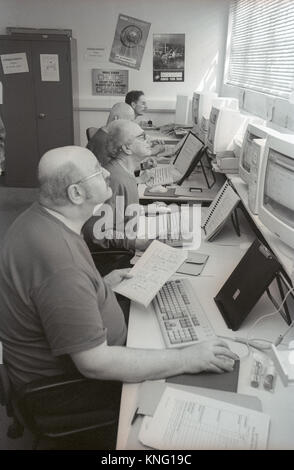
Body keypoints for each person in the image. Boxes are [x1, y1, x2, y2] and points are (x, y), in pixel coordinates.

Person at [0, 145, 237, 419]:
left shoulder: (40, 220)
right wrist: (188, 358)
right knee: (195, 394)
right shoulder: (60, 264)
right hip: (65, 389)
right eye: (95, 172)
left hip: (68, 357)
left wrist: (101, 285)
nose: (106, 171)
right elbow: (95, 364)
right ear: (76, 194)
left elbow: (54, 294)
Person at [82, 119, 154, 274]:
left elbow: (119, 211)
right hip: (114, 262)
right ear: (127, 148)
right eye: (142, 137)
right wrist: (136, 242)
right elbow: (94, 232)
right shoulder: (114, 180)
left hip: (127, 243)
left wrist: (148, 209)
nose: (149, 140)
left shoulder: (125, 174)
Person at [86, 102, 135, 166]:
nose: (130, 126)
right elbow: (111, 173)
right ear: (116, 119)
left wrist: (142, 166)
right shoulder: (104, 143)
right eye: (128, 122)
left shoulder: (106, 135)